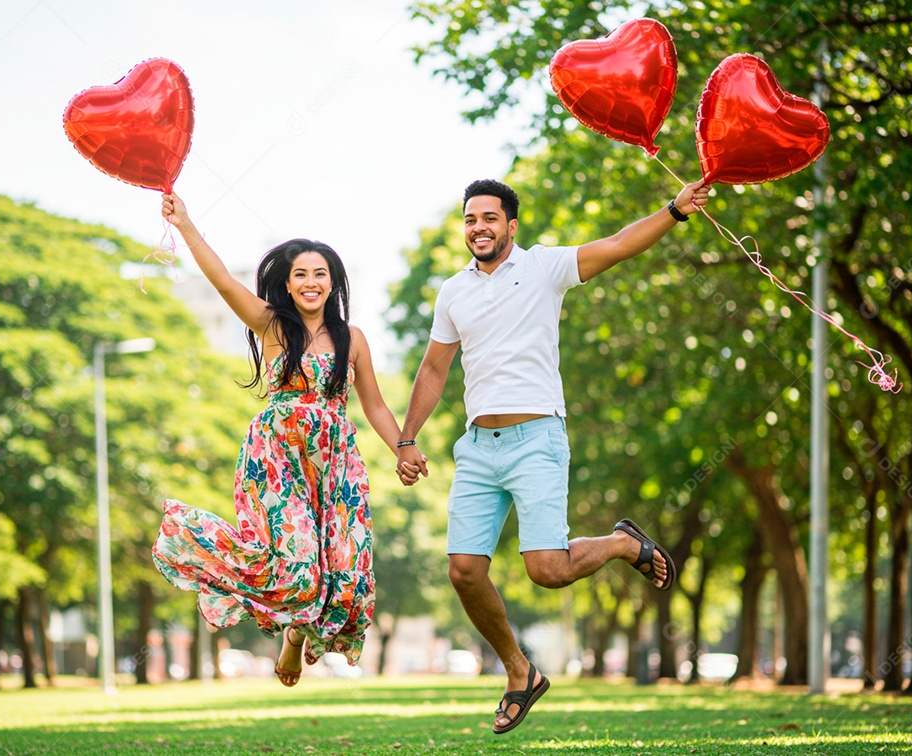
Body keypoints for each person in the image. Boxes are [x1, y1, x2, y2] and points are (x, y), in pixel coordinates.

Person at [394, 177, 711, 734]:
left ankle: (619, 542)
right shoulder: (453, 292)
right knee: (464, 571)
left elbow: (617, 244)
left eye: (489, 218)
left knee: (547, 570)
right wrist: (407, 437)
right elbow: (434, 369)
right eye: (470, 219)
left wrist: (674, 211)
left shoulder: (544, 267)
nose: (478, 228)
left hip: (537, 438)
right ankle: (520, 672)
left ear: (511, 226)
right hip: (477, 447)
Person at [151, 193, 407, 687]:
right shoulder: (270, 326)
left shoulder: (353, 338)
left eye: (320, 274)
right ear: (287, 285)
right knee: (298, 570)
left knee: (347, 573)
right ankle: (289, 632)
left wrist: (405, 446)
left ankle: (302, 632)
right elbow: (222, 279)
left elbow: (373, 404)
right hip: (278, 460)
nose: (311, 283)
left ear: (333, 283)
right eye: (300, 275)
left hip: (336, 467)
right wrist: (184, 224)